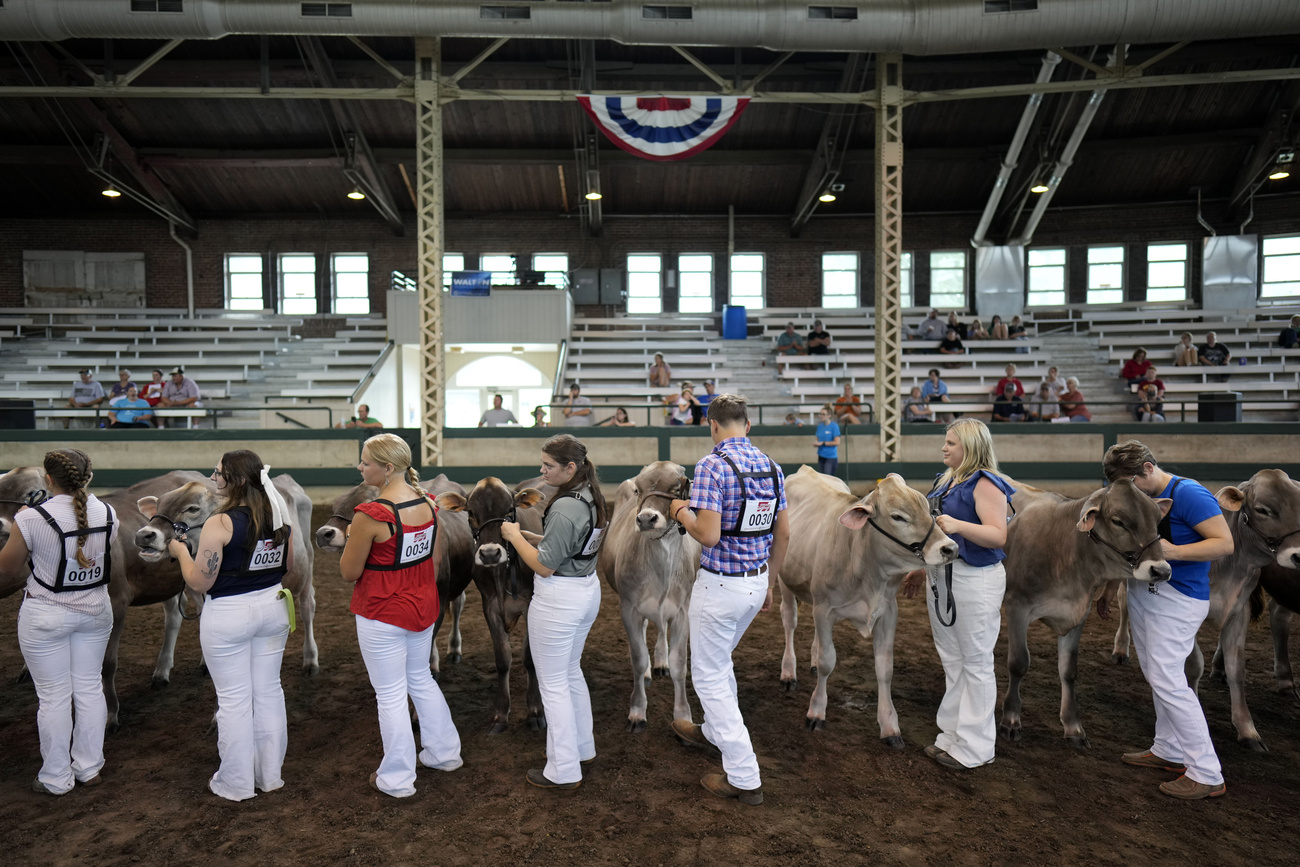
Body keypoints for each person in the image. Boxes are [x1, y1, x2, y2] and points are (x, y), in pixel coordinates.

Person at [667, 394, 789, 806]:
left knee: (709, 676)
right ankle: (713, 732)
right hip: (755, 584)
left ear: (712, 425)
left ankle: (743, 774)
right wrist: (769, 582)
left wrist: (680, 511)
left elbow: (708, 534)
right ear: (748, 425)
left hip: (720, 586)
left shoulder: (712, 466)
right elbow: (783, 533)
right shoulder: (772, 467)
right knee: (720, 663)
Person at [1098, 441, 1232, 800]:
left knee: (1168, 680)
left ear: (1146, 470)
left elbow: (1224, 543)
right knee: (1159, 676)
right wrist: (1112, 590)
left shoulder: (1188, 494)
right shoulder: (1140, 496)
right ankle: (1168, 748)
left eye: (1130, 483)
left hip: (1180, 598)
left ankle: (1206, 772)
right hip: (1145, 594)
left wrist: (1172, 551)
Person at [165, 450, 294, 801]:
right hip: (274, 606)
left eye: (218, 473)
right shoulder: (280, 516)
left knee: (235, 700)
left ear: (235, 481)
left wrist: (180, 554)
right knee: (268, 692)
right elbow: (290, 563)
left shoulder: (220, 523)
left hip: (230, 614)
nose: (213, 478)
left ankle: (235, 783)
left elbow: (200, 582)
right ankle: (269, 776)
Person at [339, 434, 462, 797]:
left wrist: (353, 537)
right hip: (422, 604)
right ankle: (444, 753)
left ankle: (396, 777)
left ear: (387, 468)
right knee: (420, 679)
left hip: (383, 610)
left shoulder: (371, 514)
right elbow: (432, 558)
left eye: (365, 461)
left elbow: (349, 571)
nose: (360, 467)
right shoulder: (428, 503)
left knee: (390, 695)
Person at [0, 449, 116, 795]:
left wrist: (24, 522)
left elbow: (8, 567)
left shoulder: (32, 518)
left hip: (46, 614)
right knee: (90, 687)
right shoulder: (108, 512)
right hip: (95, 611)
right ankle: (89, 766)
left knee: (52, 697)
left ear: (48, 481)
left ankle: (55, 776)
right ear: (88, 478)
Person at [902, 419, 1015, 771]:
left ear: (970, 447)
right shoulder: (946, 481)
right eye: (946, 442)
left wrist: (958, 526)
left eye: (951, 443)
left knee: (976, 661)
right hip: (943, 575)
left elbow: (998, 536)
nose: (944, 448)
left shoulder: (986, 484)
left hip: (974, 578)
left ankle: (977, 747)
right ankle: (952, 734)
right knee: (952, 659)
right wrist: (923, 568)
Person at [500, 434, 608, 790]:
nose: (541, 471)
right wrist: (535, 539)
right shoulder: (591, 496)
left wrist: (515, 536)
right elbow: (569, 547)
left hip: (559, 598)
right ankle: (582, 748)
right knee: (571, 673)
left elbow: (544, 568)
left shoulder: (564, 507)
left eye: (548, 465)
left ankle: (563, 771)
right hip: (585, 590)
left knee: (553, 685)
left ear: (570, 468)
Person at [814, 406, 841, 475]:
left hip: (830, 457)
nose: (821, 416)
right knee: (822, 476)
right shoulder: (819, 426)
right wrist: (817, 444)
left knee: (827, 476)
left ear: (829, 415)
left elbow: (837, 442)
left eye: (823, 414)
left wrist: (823, 443)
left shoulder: (834, 426)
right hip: (821, 455)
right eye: (820, 414)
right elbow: (818, 440)